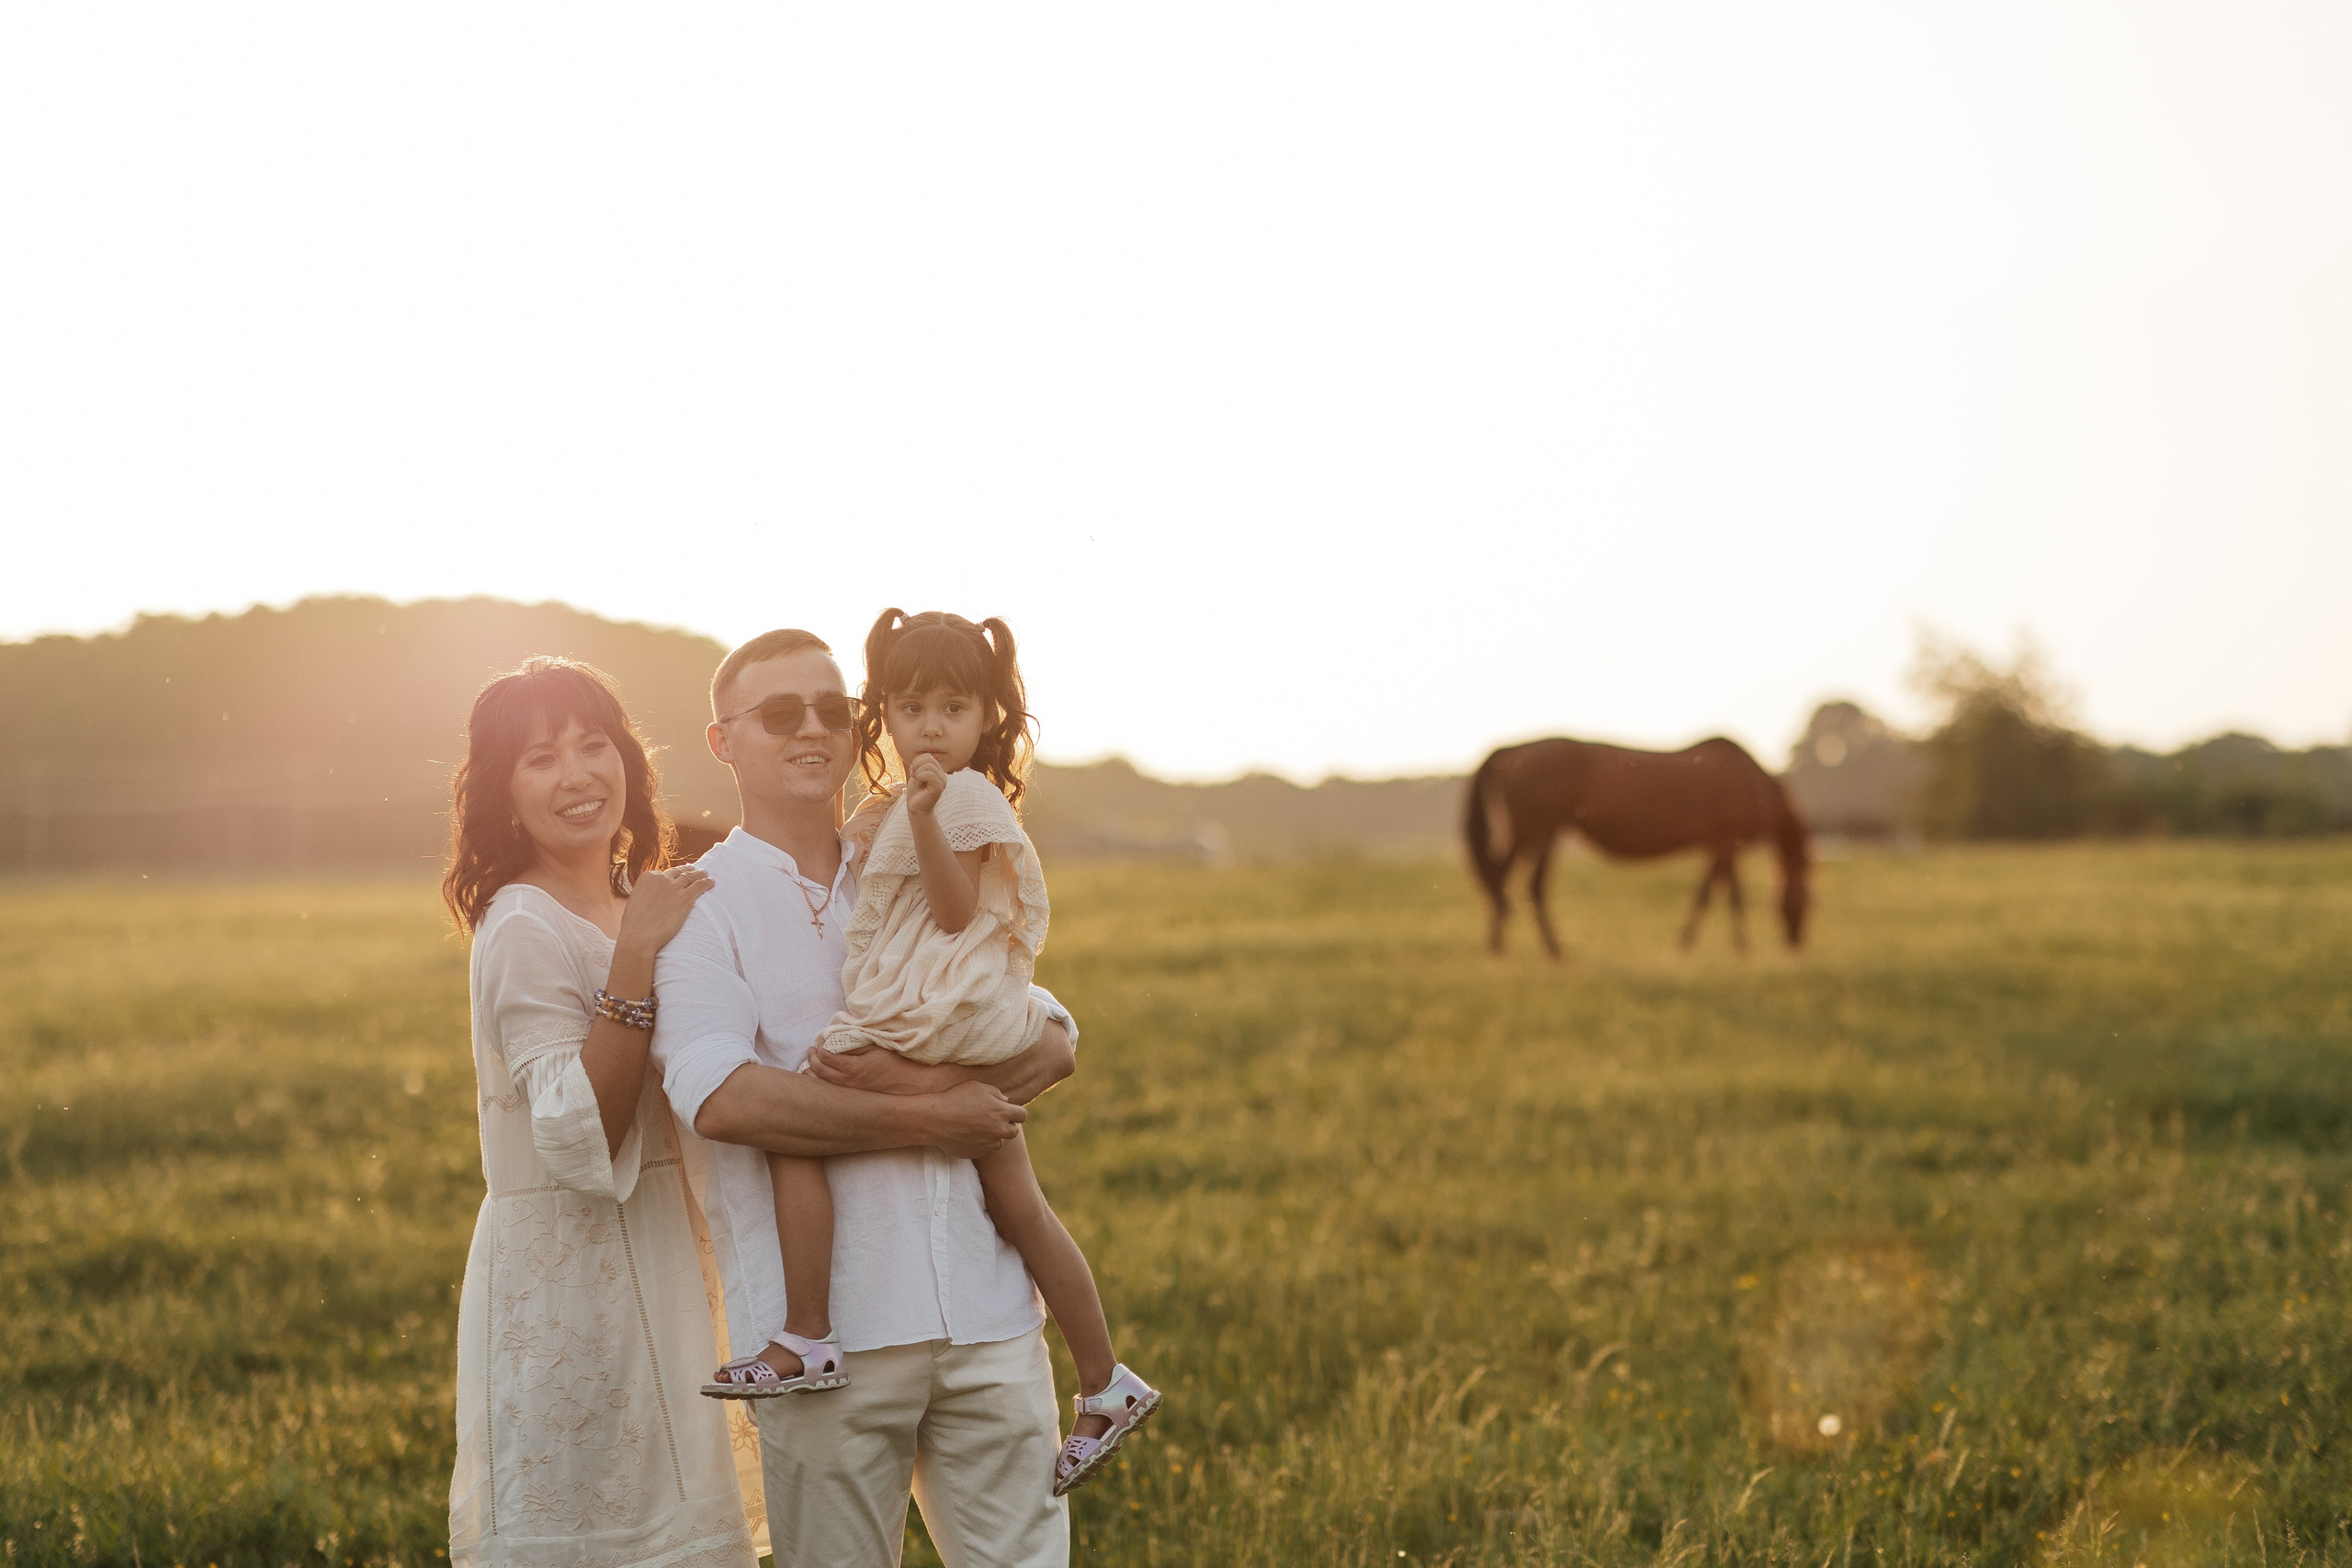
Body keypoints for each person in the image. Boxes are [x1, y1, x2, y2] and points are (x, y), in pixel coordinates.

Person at [650, 627, 1082, 1568]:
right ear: (723, 741)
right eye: (778, 713)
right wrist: (933, 1115)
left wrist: (976, 1069)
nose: (812, 728)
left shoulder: (914, 850)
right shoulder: (703, 904)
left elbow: (1047, 1032)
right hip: (829, 1341)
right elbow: (724, 1100)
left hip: (987, 1316)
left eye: (830, 709)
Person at [703, 610, 1159, 1498]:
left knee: (806, 1105)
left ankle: (806, 1332)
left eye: (954, 707)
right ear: (887, 717)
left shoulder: (965, 797)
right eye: (911, 709)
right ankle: (1105, 1379)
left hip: (946, 1014)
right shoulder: (900, 805)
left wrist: (918, 810)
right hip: (951, 1012)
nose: (931, 727)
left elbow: (952, 914)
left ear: (989, 716)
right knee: (1021, 1206)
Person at [442, 657, 756, 1568]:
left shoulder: (640, 902)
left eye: (594, 746)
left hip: (674, 1265)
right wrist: (635, 962)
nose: (577, 774)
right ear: (502, 794)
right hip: (573, 1288)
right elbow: (583, 1135)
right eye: (541, 758)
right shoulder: (522, 926)